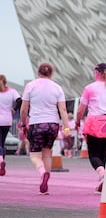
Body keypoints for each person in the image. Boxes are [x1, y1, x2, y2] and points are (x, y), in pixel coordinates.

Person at [19, 63, 71, 194]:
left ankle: (42, 173)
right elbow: (63, 109)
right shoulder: (57, 88)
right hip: (53, 124)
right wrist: (66, 128)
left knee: (35, 156)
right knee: (47, 154)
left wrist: (23, 123)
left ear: (38, 72)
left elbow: (24, 108)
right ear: (51, 73)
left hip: (37, 123)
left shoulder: (31, 86)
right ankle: (45, 182)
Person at [75, 63, 106, 192]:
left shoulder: (89, 88)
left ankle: (103, 175)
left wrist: (77, 121)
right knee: (104, 154)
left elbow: (81, 109)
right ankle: (104, 180)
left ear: (97, 72)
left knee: (94, 155)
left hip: (95, 122)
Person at [0, 74, 21, 176]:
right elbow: (19, 101)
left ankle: (0, 161)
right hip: (7, 121)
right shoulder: (12, 92)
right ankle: (2, 164)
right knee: (2, 143)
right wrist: (14, 109)